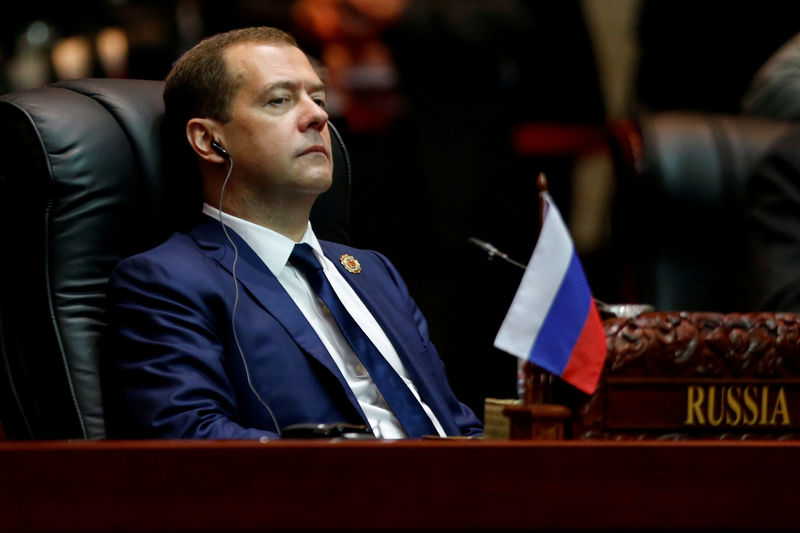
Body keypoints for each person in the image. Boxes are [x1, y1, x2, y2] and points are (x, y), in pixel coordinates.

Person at [107, 26, 482, 440]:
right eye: (280, 100)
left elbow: (454, 423)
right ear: (209, 140)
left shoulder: (374, 272)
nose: (319, 116)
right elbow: (193, 437)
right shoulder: (167, 281)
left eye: (318, 98)